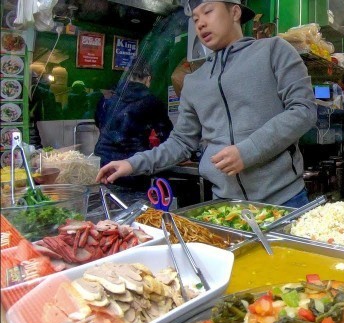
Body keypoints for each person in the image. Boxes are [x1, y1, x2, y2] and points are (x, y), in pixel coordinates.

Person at [96, 0, 316, 207]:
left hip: (286, 200)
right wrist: (132, 164)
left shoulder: (274, 51)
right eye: (195, 18)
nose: (200, 23)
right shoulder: (194, 81)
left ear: (235, 12)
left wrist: (248, 151)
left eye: (208, 11)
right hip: (225, 205)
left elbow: (303, 110)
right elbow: (181, 143)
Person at [94, 58, 174, 190]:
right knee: (136, 204)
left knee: (110, 201)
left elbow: (99, 122)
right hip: (131, 166)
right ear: (148, 78)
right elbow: (166, 134)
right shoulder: (150, 100)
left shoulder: (107, 97)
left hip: (103, 164)